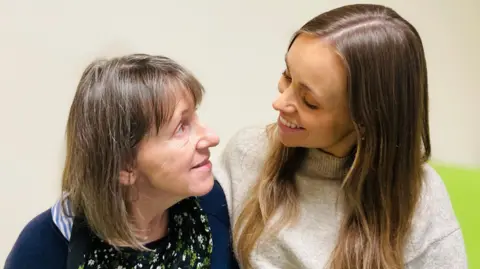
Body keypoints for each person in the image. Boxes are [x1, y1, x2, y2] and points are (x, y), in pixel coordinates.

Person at [214, 4, 467, 269]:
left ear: (366, 121)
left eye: (309, 101)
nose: (279, 103)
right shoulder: (248, 153)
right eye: (287, 75)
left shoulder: (421, 200)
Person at [5, 54, 238, 269]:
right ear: (124, 166)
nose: (211, 138)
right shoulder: (43, 250)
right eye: (181, 127)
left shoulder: (213, 210)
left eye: (195, 116)